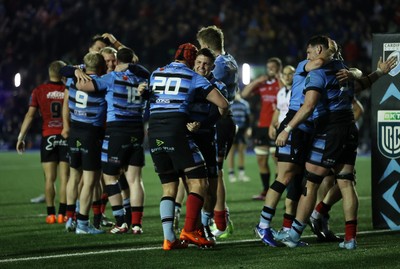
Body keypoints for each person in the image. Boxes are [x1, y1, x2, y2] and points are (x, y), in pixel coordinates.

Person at [275, 36, 397, 250]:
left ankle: (293, 235)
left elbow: (309, 106)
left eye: (309, 52)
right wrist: (379, 72)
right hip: (350, 128)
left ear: (319, 49)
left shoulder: (318, 73)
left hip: (331, 131)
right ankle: (350, 239)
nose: (307, 57)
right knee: (346, 182)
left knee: (312, 183)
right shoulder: (343, 69)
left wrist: (287, 128)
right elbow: (361, 84)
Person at [254, 37, 335, 247]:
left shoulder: (324, 70)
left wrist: (351, 71)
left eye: (309, 52)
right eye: (309, 53)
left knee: (299, 182)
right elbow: (317, 62)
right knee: (285, 176)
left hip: (309, 128)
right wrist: (336, 60)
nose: (307, 56)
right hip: (295, 124)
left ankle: (289, 231)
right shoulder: (304, 65)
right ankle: (263, 225)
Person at [148, 43, 228, 250]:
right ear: (193, 61)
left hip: (157, 131)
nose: (201, 66)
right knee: (199, 184)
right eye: (198, 62)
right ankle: (191, 230)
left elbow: (149, 99)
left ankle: (172, 237)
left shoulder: (157, 73)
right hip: (179, 133)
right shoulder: (194, 78)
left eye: (206, 64)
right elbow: (223, 104)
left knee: (174, 187)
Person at [75, 47, 149, 234]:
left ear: (117, 62)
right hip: (138, 129)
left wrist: (76, 70)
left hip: (117, 130)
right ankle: (137, 224)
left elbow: (82, 86)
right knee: (135, 180)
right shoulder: (142, 79)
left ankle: (121, 222)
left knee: (109, 176)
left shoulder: (111, 78)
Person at [197, 25, 238, 238]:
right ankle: (219, 218)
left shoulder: (218, 65)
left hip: (218, 120)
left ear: (205, 45)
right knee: (212, 172)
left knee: (215, 173)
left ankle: (220, 221)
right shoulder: (230, 60)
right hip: (224, 121)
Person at [17, 60, 69, 224]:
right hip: (65, 136)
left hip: (48, 137)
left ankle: (50, 214)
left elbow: (30, 116)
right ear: (63, 74)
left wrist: (21, 137)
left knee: (49, 179)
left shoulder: (39, 90)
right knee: (65, 178)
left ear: (49, 73)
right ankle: (62, 214)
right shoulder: (68, 90)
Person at [62, 52, 107, 234]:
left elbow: (62, 69)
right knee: (89, 181)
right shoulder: (101, 84)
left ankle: (69, 219)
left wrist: (74, 70)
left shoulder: (72, 80)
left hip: (75, 131)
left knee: (74, 177)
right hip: (91, 133)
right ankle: (82, 223)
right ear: (101, 66)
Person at [242, 57, 283, 201]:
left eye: (273, 67)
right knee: (261, 160)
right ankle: (266, 190)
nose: (270, 69)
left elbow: (286, 91)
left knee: (277, 161)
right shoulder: (263, 84)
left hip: (277, 126)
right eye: (269, 67)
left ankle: (276, 192)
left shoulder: (282, 83)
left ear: (279, 68)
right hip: (261, 126)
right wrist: (257, 81)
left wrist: (280, 77)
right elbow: (244, 94)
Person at [227, 93, 251, 183]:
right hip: (232, 130)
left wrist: (248, 128)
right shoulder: (229, 103)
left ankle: (241, 174)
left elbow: (248, 118)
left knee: (242, 152)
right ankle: (231, 174)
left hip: (242, 130)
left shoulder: (244, 104)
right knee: (231, 153)